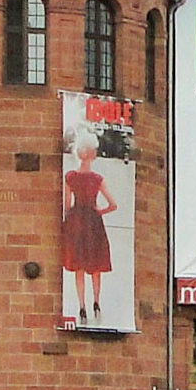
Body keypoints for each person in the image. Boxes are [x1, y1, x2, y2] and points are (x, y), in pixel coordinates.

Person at [59, 135, 117, 325]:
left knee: (79, 267)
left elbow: (67, 206)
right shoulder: (97, 179)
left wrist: (69, 222)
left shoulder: (71, 177)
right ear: (93, 155)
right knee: (95, 266)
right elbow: (113, 204)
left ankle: (82, 306)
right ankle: (96, 303)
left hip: (76, 222)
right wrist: (99, 211)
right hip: (93, 222)